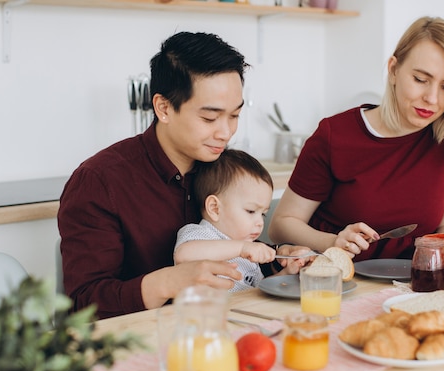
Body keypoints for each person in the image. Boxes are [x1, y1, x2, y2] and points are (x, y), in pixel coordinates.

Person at [58, 32, 302, 319]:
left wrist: (279, 258)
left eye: (234, 116)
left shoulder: (224, 166)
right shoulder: (99, 181)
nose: (225, 133)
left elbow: (229, 242)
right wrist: (169, 282)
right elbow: (84, 304)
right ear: (163, 108)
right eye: (209, 118)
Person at [268, 16, 444, 266]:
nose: (432, 98)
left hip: (415, 279)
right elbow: (281, 225)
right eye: (420, 80)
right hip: (336, 278)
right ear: (393, 70)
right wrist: (333, 242)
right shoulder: (334, 135)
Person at [174, 149, 306, 292]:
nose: (260, 223)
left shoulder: (249, 255)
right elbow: (183, 255)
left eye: (263, 214)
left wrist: (285, 274)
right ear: (215, 208)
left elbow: (256, 291)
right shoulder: (198, 233)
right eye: (251, 211)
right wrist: (242, 248)